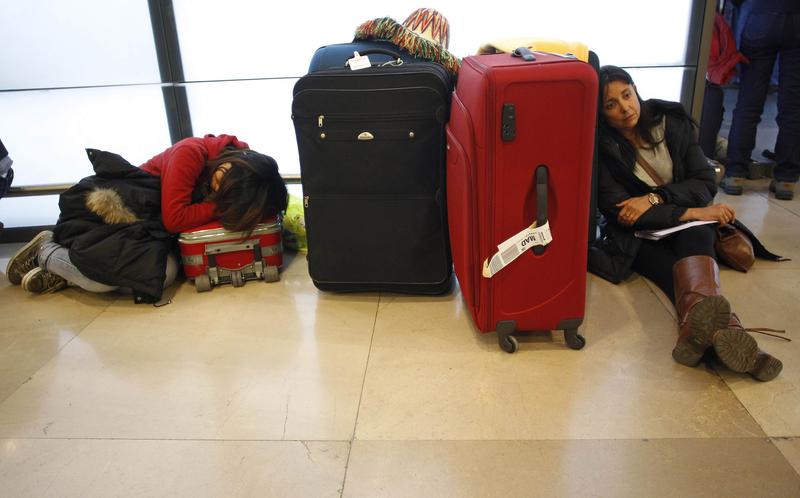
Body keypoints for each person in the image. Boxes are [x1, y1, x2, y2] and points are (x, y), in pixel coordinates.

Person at [590, 65, 784, 381]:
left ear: (635, 89)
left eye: (627, 95)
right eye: (611, 104)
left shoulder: (671, 122)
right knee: (674, 270)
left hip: (685, 224)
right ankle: (736, 339)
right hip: (639, 235)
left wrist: (656, 198)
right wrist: (693, 213)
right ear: (602, 112)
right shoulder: (602, 145)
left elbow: (704, 182)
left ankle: (700, 338)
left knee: (692, 249)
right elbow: (618, 210)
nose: (625, 108)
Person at [5, 134, 288, 301]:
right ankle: (48, 251)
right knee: (105, 282)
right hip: (109, 214)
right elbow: (175, 220)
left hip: (146, 227)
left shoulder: (249, 173)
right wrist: (223, 205)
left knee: (161, 275)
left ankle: (66, 272)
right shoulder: (190, 153)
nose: (217, 186)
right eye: (221, 181)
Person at [721, 0, 800, 200]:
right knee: (792, 107)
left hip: (760, 14)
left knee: (749, 102)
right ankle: (786, 179)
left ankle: (735, 174)